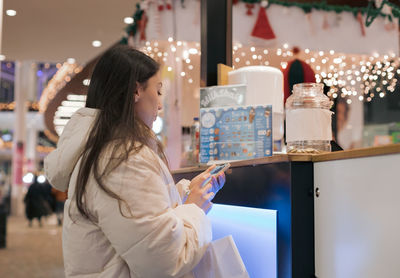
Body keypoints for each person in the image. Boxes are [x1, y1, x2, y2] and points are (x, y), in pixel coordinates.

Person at [44, 45, 225, 277]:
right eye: (158, 91)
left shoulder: (108, 151)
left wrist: (186, 194)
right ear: (136, 91)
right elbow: (166, 260)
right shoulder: (122, 157)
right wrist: (194, 208)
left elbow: (136, 224)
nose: (160, 104)